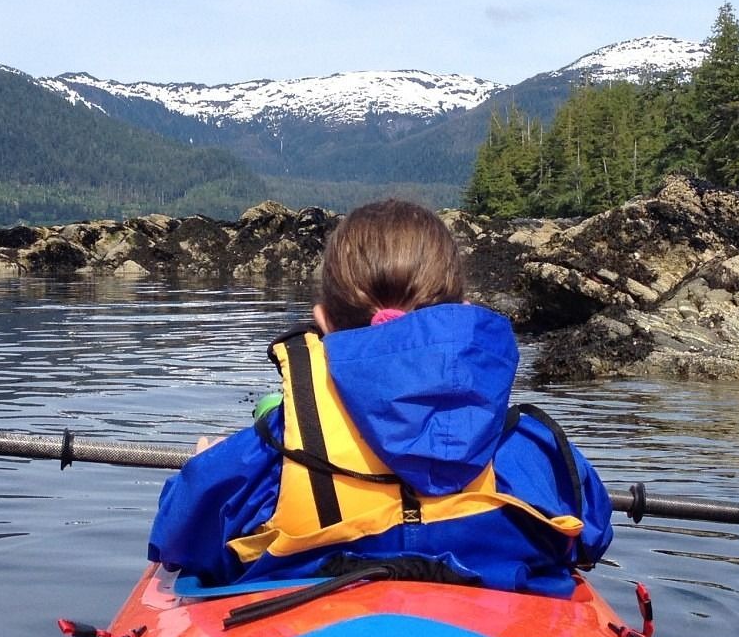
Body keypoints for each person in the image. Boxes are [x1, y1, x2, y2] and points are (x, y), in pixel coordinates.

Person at [148, 199, 613, 596]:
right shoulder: (532, 454)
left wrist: (201, 469)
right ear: (463, 315)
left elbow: (176, 542)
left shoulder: (272, 454)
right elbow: (594, 532)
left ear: (323, 321)